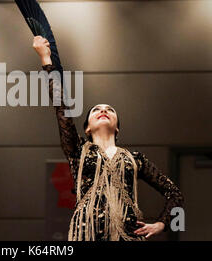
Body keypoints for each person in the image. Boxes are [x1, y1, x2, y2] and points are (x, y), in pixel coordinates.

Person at [32, 36, 184, 241]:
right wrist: (46, 59)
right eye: (96, 110)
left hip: (126, 236)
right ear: (86, 129)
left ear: (118, 127)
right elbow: (60, 106)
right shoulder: (77, 150)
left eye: (109, 110)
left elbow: (175, 194)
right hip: (86, 234)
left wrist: (162, 224)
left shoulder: (135, 159)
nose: (103, 110)